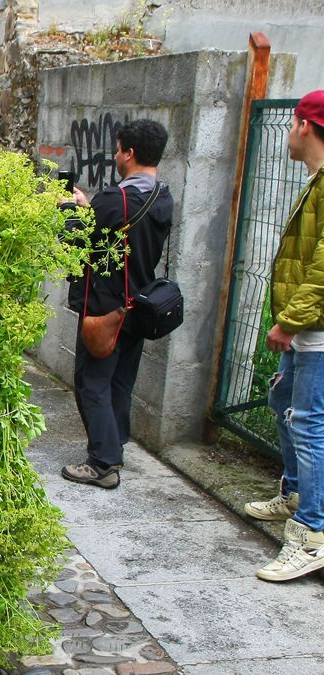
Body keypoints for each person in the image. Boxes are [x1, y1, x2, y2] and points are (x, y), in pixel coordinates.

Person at [60, 119, 174, 489]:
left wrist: (68, 210)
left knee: (91, 381)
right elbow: (119, 227)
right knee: (121, 381)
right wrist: (89, 205)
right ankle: (115, 443)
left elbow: (79, 239)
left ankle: (102, 464)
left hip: (105, 306)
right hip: (138, 304)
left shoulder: (115, 199)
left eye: (118, 149)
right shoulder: (162, 197)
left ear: (130, 153)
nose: (115, 155)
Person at [245, 90, 324, 582]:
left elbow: (322, 271)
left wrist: (287, 321)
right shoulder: (317, 181)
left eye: (293, 124)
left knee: (310, 425)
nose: (289, 135)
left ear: (304, 126)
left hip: (315, 331)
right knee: (283, 405)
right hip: (307, 329)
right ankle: (294, 493)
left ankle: (312, 534)